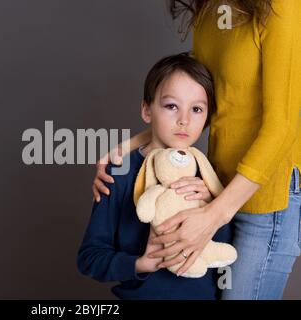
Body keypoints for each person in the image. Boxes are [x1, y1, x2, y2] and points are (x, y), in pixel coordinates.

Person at [92, 0, 301, 300]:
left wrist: (214, 216)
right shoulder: (209, 9)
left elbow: (282, 127)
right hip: (218, 186)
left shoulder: (282, 5)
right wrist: (123, 151)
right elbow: (199, 107)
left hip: (265, 200)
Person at [77, 53, 233, 300]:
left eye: (196, 109)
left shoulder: (206, 176)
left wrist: (213, 210)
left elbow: (227, 253)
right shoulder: (119, 173)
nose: (184, 120)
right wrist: (139, 264)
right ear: (147, 110)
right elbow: (90, 258)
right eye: (172, 106)